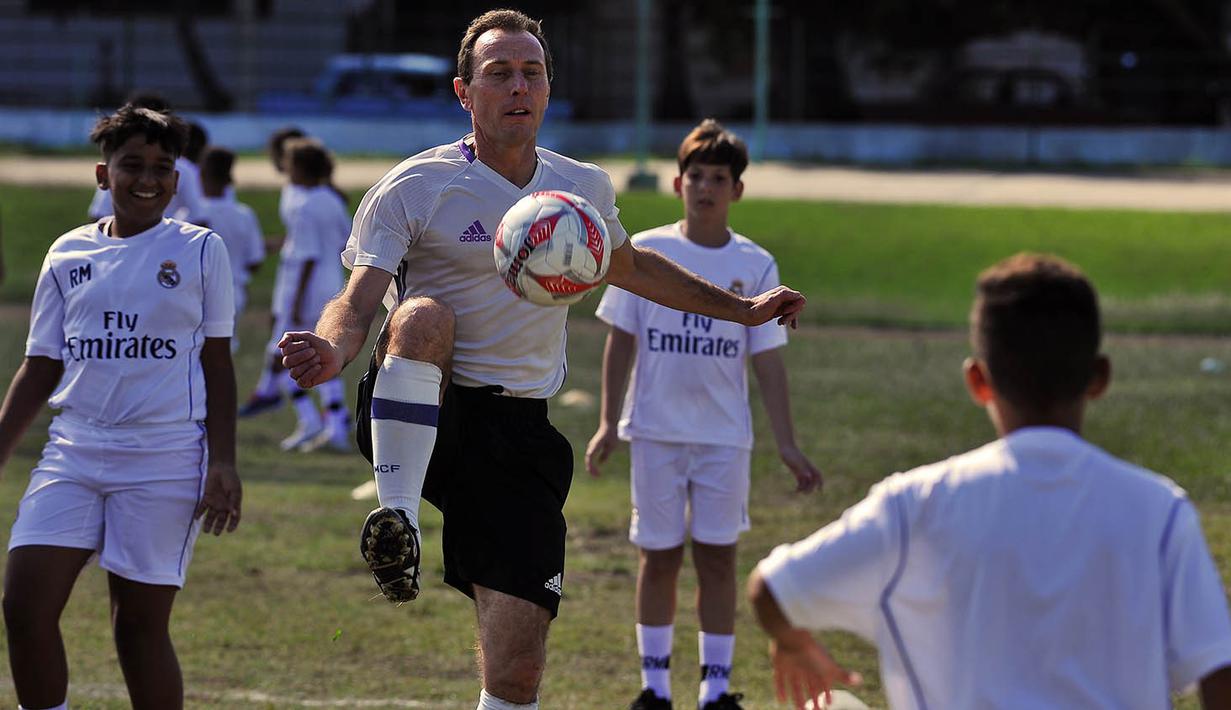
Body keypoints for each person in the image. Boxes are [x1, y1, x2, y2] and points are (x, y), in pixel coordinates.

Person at [277, 10, 805, 710]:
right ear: (464, 92)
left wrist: (742, 310)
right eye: (499, 74)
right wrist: (332, 348)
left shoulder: (580, 190)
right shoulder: (415, 185)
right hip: (425, 403)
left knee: (518, 671)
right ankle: (395, 519)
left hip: (518, 432)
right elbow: (359, 299)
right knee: (426, 314)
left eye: (531, 73)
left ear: (549, 89)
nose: (517, 86)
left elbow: (635, 268)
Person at [748, 253, 1231, 710]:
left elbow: (770, 590)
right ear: (1099, 377)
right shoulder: (1159, 511)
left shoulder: (914, 505)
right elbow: (1218, 669)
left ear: (978, 381)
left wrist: (792, 645)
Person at [1, 104, 242, 710]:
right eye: (131, 164)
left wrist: (224, 462)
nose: (147, 179)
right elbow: (41, 363)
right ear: (102, 175)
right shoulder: (66, 253)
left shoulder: (199, 249)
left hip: (164, 455)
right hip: (73, 448)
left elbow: (217, 363)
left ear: (177, 179)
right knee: (23, 605)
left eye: (162, 167)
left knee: (137, 628)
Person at [585, 119, 822, 710]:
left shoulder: (757, 265)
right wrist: (608, 422)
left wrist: (787, 445)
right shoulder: (647, 253)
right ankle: (654, 688)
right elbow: (621, 341)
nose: (706, 188)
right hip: (657, 432)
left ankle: (715, 690)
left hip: (722, 439)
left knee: (718, 559)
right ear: (677, 183)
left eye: (720, 178)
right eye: (697, 176)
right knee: (657, 557)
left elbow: (768, 363)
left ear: (737, 190)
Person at [267, 137, 352, 451]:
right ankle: (336, 425)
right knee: (322, 358)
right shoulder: (332, 199)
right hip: (331, 285)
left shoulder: (303, 205)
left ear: (301, 169)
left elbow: (307, 256)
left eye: (289, 165)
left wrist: (295, 303)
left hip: (305, 289)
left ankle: (310, 420)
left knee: (280, 358)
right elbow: (345, 242)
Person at [238, 126, 309, 416]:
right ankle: (269, 393)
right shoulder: (295, 189)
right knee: (280, 338)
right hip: (290, 270)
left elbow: (313, 240)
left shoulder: (308, 196)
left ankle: (271, 393)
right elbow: (299, 234)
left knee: (285, 343)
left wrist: (299, 295)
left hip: (305, 276)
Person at [198, 145, 266, 353]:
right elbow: (255, 260)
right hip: (234, 290)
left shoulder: (190, 215)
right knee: (224, 352)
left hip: (200, 292)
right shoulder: (244, 214)